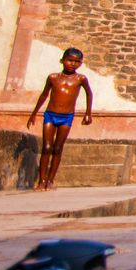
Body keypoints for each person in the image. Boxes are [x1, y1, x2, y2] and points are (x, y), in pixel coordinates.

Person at [27, 47, 93, 190]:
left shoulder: (80, 79)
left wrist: (88, 113)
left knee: (57, 148)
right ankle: (41, 180)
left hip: (66, 116)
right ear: (62, 61)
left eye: (77, 62)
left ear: (80, 63)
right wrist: (34, 113)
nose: (72, 64)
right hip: (51, 114)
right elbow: (44, 95)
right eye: (70, 60)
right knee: (46, 147)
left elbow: (89, 94)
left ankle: (51, 180)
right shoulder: (53, 78)